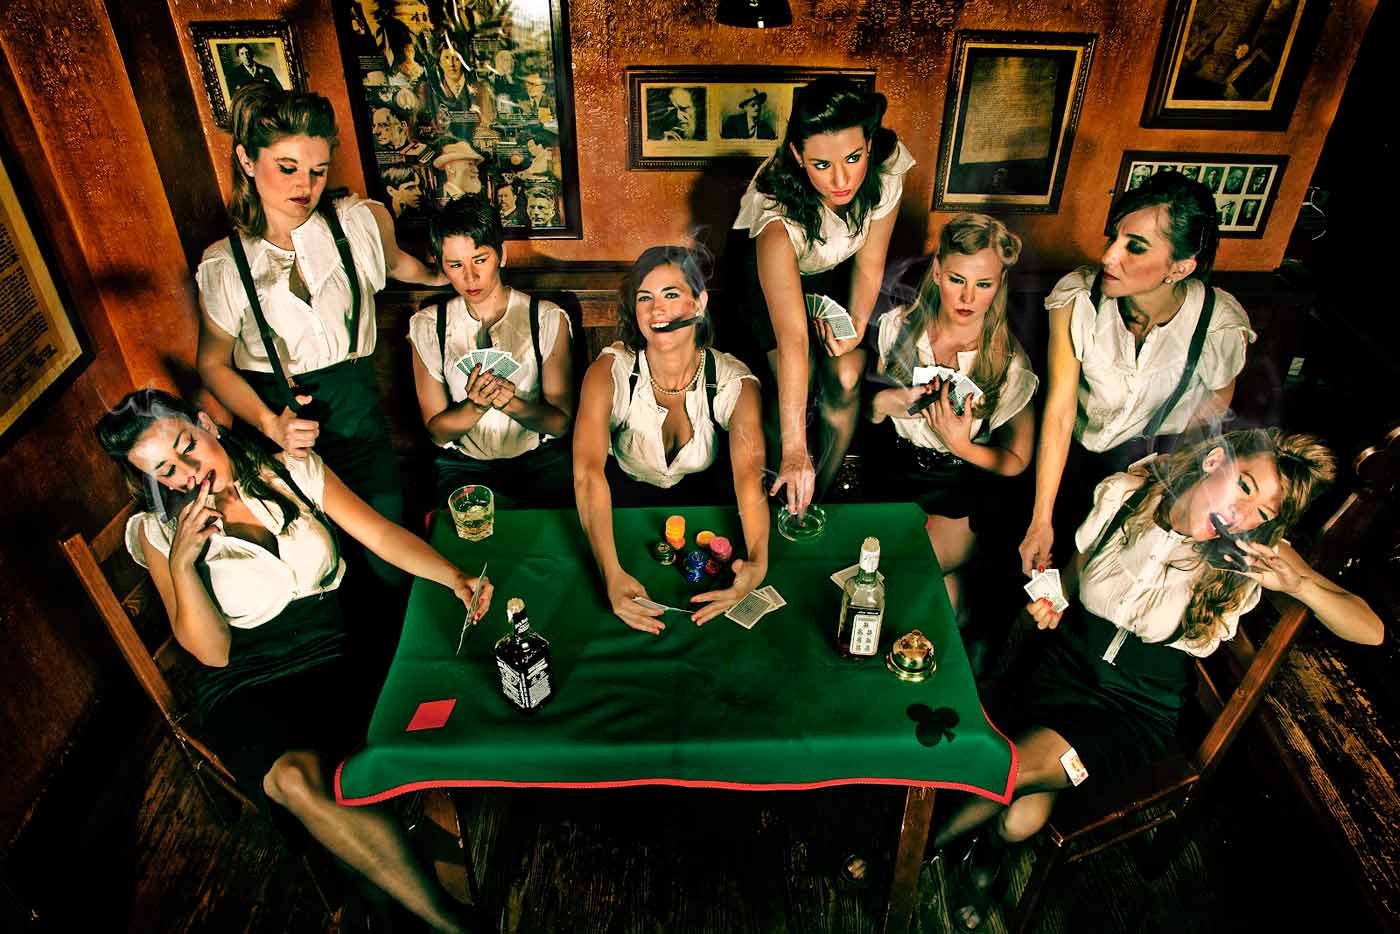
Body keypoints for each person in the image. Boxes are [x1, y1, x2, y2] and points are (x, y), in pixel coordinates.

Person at [929, 429, 1384, 930]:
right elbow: (1073, 578)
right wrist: (1051, 602)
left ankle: (906, 854)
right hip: (1061, 671)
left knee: (1007, 769)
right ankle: (988, 854)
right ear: (1215, 460)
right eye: (1245, 486)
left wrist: (1298, 584)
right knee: (1020, 820)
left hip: (1131, 713)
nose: (1242, 515)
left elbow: (1371, 630)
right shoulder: (1128, 495)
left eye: (1263, 513)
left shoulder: (1257, 555)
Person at [96, 389, 492, 934]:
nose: (187, 472)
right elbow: (213, 652)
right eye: (165, 471)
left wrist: (454, 577)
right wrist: (184, 565)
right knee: (293, 779)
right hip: (248, 680)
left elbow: (378, 534)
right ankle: (450, 923)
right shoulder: (158, 532)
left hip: (342, 646)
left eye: (187, 446)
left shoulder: (292, 470)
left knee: (404, 730)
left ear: (207, 423)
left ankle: (384, 907)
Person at [195, 85, 446, 593]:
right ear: (246, 160)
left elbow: (402, 266)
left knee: (388, 567)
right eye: (287, 167)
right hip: (276, 440)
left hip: (359, 424)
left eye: (318, 170)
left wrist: (449, 276)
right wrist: (270, 422)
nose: (305, 185)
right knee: (317, 571)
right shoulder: (224, 264)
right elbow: (212, 363)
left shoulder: (358, 222)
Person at [1018, 170, 1255, 577]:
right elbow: (1059, 412)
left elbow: (1212, 412)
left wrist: (1170, 487)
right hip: (1067, 467)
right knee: (1034, 581)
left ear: (1180, 268)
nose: (1109, 256)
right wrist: (1042, 518)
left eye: (1135, 247)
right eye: (1114, 238)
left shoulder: (1218, 324)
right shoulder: (1079, 297)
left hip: (1152, 482)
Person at [729, 76, 915, 515]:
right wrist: (796, 450)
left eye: (853, 157)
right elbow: (793, 340)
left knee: (847, 376)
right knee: (792, 377)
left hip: (836, 270)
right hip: (766, 277)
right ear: (798, 156)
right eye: (821, 165)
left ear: (869, 144)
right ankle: (781, 494)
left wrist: (855, 330)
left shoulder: (888, 167)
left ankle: (820, 498)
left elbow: (869, 264)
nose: (842, 179)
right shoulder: (776, 215)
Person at [573, 246, 769, 633]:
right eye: (645, 298)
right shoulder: (609, 372)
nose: (657, 310)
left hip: (705, 509)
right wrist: (612, 573)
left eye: (671, 294)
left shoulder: (734, 381)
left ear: (699, 303)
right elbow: (587, 474)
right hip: (621, 506)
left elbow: (749, 475)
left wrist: (758, 563)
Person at [867, 214, 1037, 620]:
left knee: (909, 587)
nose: (968, 297)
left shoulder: (1009, 362)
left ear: (1000, 284)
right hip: (888, 475)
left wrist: (961, 445)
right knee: (864, 578)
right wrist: (882, 404)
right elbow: (866, 414)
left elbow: (1017, 461)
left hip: (957, 490)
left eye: (984, 284)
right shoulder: (897, 327)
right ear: (939, 272)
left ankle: (957, 605)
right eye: (958, 279)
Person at [409, 194, 576, 505]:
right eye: (455, 265)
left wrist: (511, 403)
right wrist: (475, 406)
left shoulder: (545, 318)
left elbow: (559, 424)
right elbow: (438, 432)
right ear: (442, 265)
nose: (470, 277)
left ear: (502, 255)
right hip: (463, 465)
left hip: (540, 461)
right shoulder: (429, 325)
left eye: (480, 260)